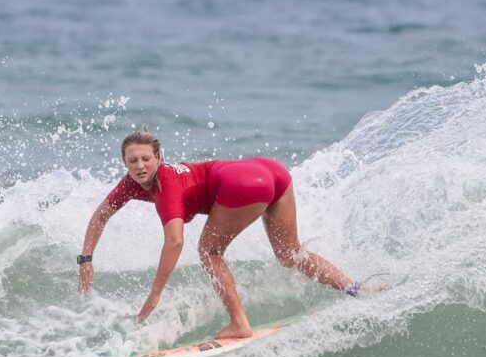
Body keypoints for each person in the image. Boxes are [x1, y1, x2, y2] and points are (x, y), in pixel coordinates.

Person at [77, 127, 366, 339]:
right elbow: (101, 215)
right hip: (270, 171)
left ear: (158, 158)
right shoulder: (130, 184)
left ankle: (239, 324)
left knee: (209, 251)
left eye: (146, 159)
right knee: (290, 254)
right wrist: (86, 258)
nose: (140, 166)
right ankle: (355, 289)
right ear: (125, 164)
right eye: (133, 161)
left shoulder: (167, 188)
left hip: (242, 183)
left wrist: (155, 294)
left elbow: (175, 241)